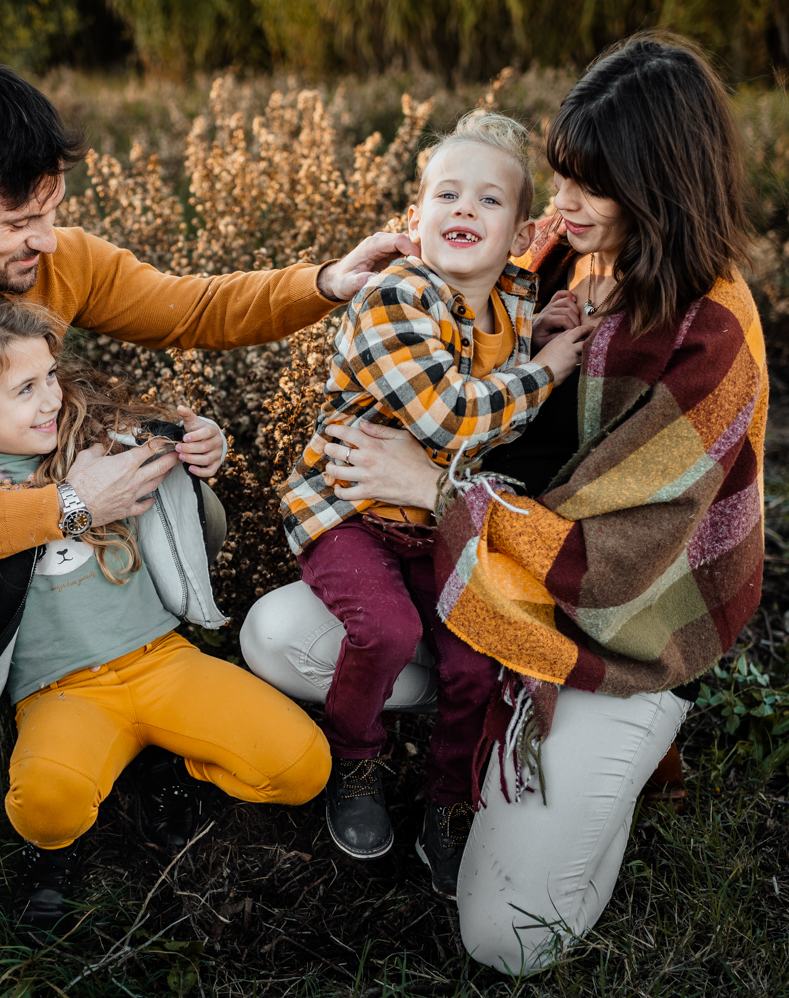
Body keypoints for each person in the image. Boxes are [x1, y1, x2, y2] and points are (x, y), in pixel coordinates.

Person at [243, 32, 766, 973]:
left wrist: (435, 488)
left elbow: (627, 556)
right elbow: (456, 267)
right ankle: (462, 713)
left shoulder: (714, 339)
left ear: (658, 190)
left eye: (584, 186)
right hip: (495, 562)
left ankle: (619, 755)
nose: (556, 205)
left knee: (506, 942)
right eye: (558, 179)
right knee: (279, 634)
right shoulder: (569, 250)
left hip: (624, 624)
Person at [0, 62, 413, 733]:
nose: (44, 239)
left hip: (4, 480)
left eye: (52, 211)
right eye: (18, 221)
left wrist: (327, 281)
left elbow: (189, 308)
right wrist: (70, 507)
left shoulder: (44, 257)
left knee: (191, 510)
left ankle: (99, 665)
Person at [0, 290, 330, 943]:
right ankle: (54, 855)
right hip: (61, 691)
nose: (49, 400)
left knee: (302, 765)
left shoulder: (93, 438)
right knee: (46, 806)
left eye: (51, 378)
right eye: (23, 390)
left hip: (163, 661)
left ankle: (169, 770)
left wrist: (202, 442)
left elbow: (171, 439)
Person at [272, 110, 587, 893]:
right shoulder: (394, 297)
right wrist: (545, 367)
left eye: (489, 201)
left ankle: (450, 799)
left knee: (477, 656)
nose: (464, 211)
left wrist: (535, 331)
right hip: (354, 514)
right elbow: (454, 418)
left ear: (522, 234)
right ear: (415, 218)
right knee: (385, 628)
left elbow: (498, 356)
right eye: (447, 194)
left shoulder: (513, 297)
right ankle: (355, 758)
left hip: (436, 520)